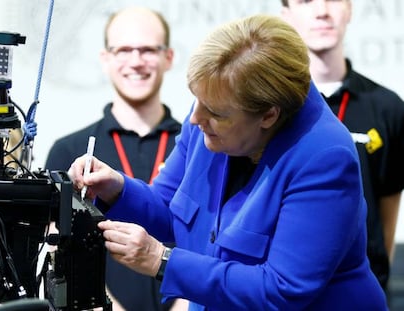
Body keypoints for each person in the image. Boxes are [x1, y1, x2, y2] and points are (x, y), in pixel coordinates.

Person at [68, 14, 388, 310]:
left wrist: (162, 261)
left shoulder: (324, 158)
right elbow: (171, 208)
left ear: (268, 115)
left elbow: (282, 289)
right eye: (198, 102)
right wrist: (117, 189)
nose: (195, 120)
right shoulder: (216, 103)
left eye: (215, 114)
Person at [45, 6, 183, 311]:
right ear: (105, 59)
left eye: (148, 49)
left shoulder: (200, 147)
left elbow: (213, 236)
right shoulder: (70, 151)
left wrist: (190, 301)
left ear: (168, 57)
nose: (136, 61)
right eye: (123, 50)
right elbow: (57, 248)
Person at [281, 0, 404, 292]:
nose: (322, 10)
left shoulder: (387, 108)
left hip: (360, 295)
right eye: (306, 1)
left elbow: (386, 215)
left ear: (349, 8)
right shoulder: (271, 107)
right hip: (284, 291)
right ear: (286, 15)